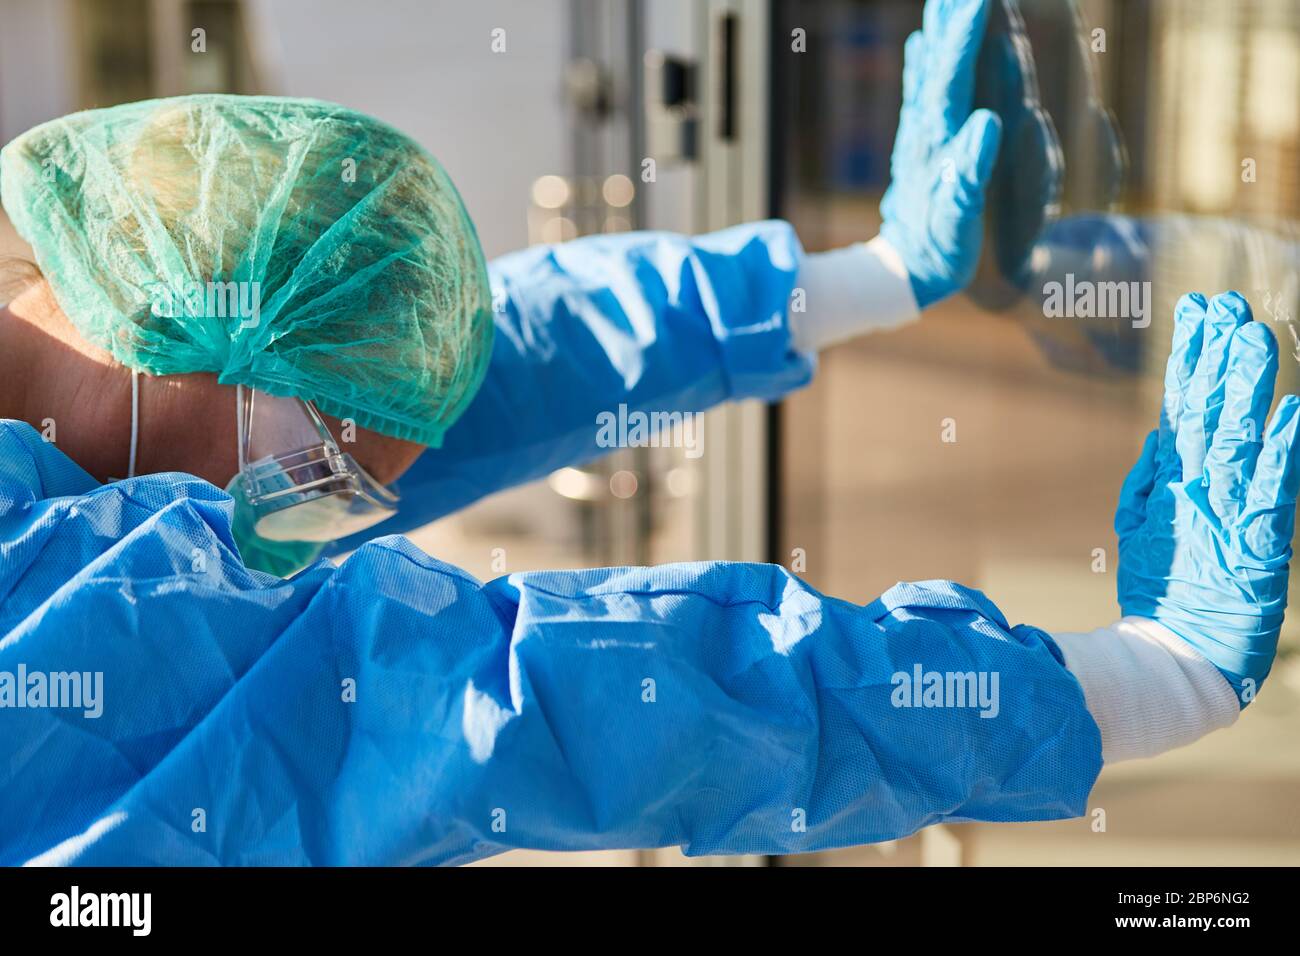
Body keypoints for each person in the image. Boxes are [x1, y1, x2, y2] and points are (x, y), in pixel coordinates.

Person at [0, 0, 1291, 865]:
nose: (307, 525)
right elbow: (501, 701)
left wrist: (866, 278)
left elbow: (415, 386)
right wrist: (1127, 682)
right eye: (330, 485)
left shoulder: (107, 400)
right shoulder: (64, 599)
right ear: (177, 346)